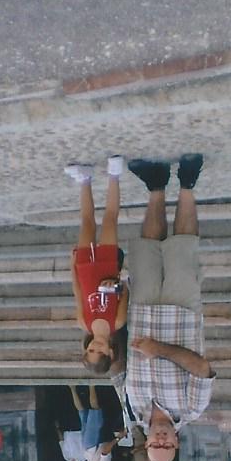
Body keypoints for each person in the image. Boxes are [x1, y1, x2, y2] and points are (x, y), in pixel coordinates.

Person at [115, 153, 211, 461]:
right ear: (176, 442)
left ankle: (156, 186)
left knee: (147, 248)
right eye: (167, 445)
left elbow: (122, 365)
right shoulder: (191, 409)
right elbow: (201, 368)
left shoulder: (134, 409)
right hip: (181, 315)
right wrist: (160, 349)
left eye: (156, 445)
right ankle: (187, 183)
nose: (161, 439)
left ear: (146, 444)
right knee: (182, 246)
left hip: (143, 314)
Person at [64, 156, 129, 375]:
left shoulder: (84, 323)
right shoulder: (117, 321)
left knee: (87, 222)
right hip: (107, 270)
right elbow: (125, 291)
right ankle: (114, 176)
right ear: (110, 352)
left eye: (90, 349)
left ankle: (85, 180)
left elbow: (78, 293)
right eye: (99, 351)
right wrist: (115, 286)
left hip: (85, 270)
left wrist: (73, 266)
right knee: (110, 219)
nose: (95, 346)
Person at [60, 385, 118, 461]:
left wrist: (118, 438)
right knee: (82, 412)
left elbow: (105, 451)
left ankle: (92, 385)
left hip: (92, 443)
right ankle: (72, 388)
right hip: (87, 443)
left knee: (95, 410)